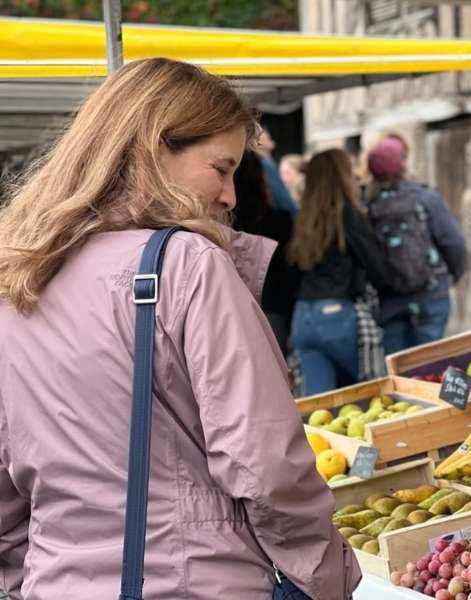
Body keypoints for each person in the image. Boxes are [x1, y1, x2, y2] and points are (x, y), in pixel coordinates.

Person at [0, 58, 359, 599]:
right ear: (154, 147)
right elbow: (265, 466)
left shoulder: (18, 274)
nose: (231, 196)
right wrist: (328, 579)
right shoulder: (186, 264)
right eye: (221, 168)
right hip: (198, 581)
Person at [289, 149, 392, 395]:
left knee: (318, 407)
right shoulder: (348, 216)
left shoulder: (302, 219)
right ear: (342, 176)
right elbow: (377, 269)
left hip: (303, 318)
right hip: (339, 316)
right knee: (368, 399)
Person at [366, 137, 468, 355]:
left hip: (390, 303)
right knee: (429, 365)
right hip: (431, 296)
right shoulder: (424, 198)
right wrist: (452, 277)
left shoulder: (367, 207)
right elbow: (454, 242)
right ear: (402, 165)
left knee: (398, 372)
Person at [233, 150, 299, 350]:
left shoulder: (224, 226)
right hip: (273, 307)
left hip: (236, 309)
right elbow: (291, 269)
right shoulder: (280, 221)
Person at [255, 126, 298, 217]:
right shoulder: (266, 164)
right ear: (258, 142)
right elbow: (282, 199)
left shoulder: (263, 164)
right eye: (266, 137)